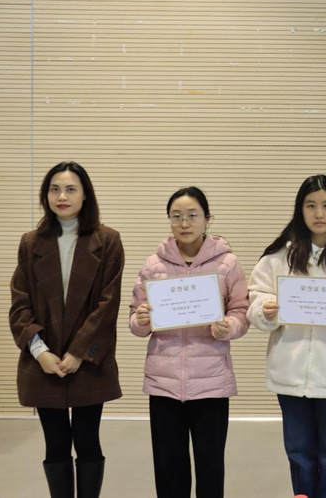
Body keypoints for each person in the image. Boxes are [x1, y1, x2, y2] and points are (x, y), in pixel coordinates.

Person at [247, 174, 326, 498]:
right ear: (300, 209)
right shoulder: (280, 255)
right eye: (310, 205)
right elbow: (256, 296)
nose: (319, 213)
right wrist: (265, 310)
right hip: (290, 374)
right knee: (300, 455)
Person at [9, 161, 124, 498]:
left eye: (71, 189)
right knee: (55, 443)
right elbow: (20, 303)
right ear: (46, 196)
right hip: (43, 361)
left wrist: (78, 352)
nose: (62, 196)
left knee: (88, 440)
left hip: (89, 361)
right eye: (55, 189)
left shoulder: (107, 240)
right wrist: (40, 352)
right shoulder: (31, 243)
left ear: (85, 195)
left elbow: (108, 305)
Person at [129, 187, 249, 498]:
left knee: (210, 465)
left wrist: (229, 327)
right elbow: (136, 320)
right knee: (169, 466)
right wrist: (141, 320)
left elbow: (241, 310)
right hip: (164, 383)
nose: (184, 223)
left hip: (211, 382)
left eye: (193, 215)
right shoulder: (153, 265)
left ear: (207, 219)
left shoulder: (227, 264)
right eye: (176, 216)